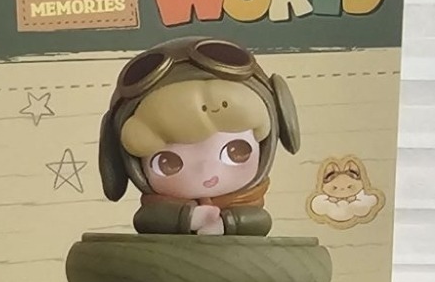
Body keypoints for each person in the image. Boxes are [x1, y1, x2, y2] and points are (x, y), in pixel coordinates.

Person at [98, 37, 300, 236]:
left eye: (236, 152)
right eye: (168, 163)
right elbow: (147, 220)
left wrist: (228, 223)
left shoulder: (249, 204)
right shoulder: (158, 210)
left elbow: (260, 222)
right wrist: (188, 218)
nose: (207, 171)